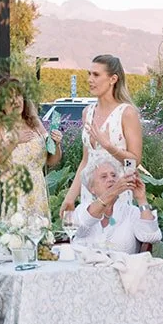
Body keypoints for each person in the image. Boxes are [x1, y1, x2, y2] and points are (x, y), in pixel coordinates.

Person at [61, 54, 143, 217]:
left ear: (113, 79)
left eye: (96, 75)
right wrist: (70, 197)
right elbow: (86, 161)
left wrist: (109, 146)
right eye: (89, 74)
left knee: (114, 241)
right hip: (89, 194)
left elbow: (134, 161)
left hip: (117, 192)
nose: (90, 79)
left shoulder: (127, 113)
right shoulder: (87, 113)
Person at [0, 76, 61, 229]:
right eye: (9, 97)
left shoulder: (35, 123)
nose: (16, 101)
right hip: (7, 194)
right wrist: (13, 141)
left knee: (36, 243)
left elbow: (52, 161)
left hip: (35, 192)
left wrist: (56, 145)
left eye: (18, 95)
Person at [71, 164, 161, 253]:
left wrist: (141, 198)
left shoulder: (130, 212)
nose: (111, 179)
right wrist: (113, 191)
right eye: (104, 176)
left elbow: (151, 237)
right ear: (92, 188)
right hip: (84, 267)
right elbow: (79, 229)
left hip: (122, 267)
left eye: (114, 175)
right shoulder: (82, 210)